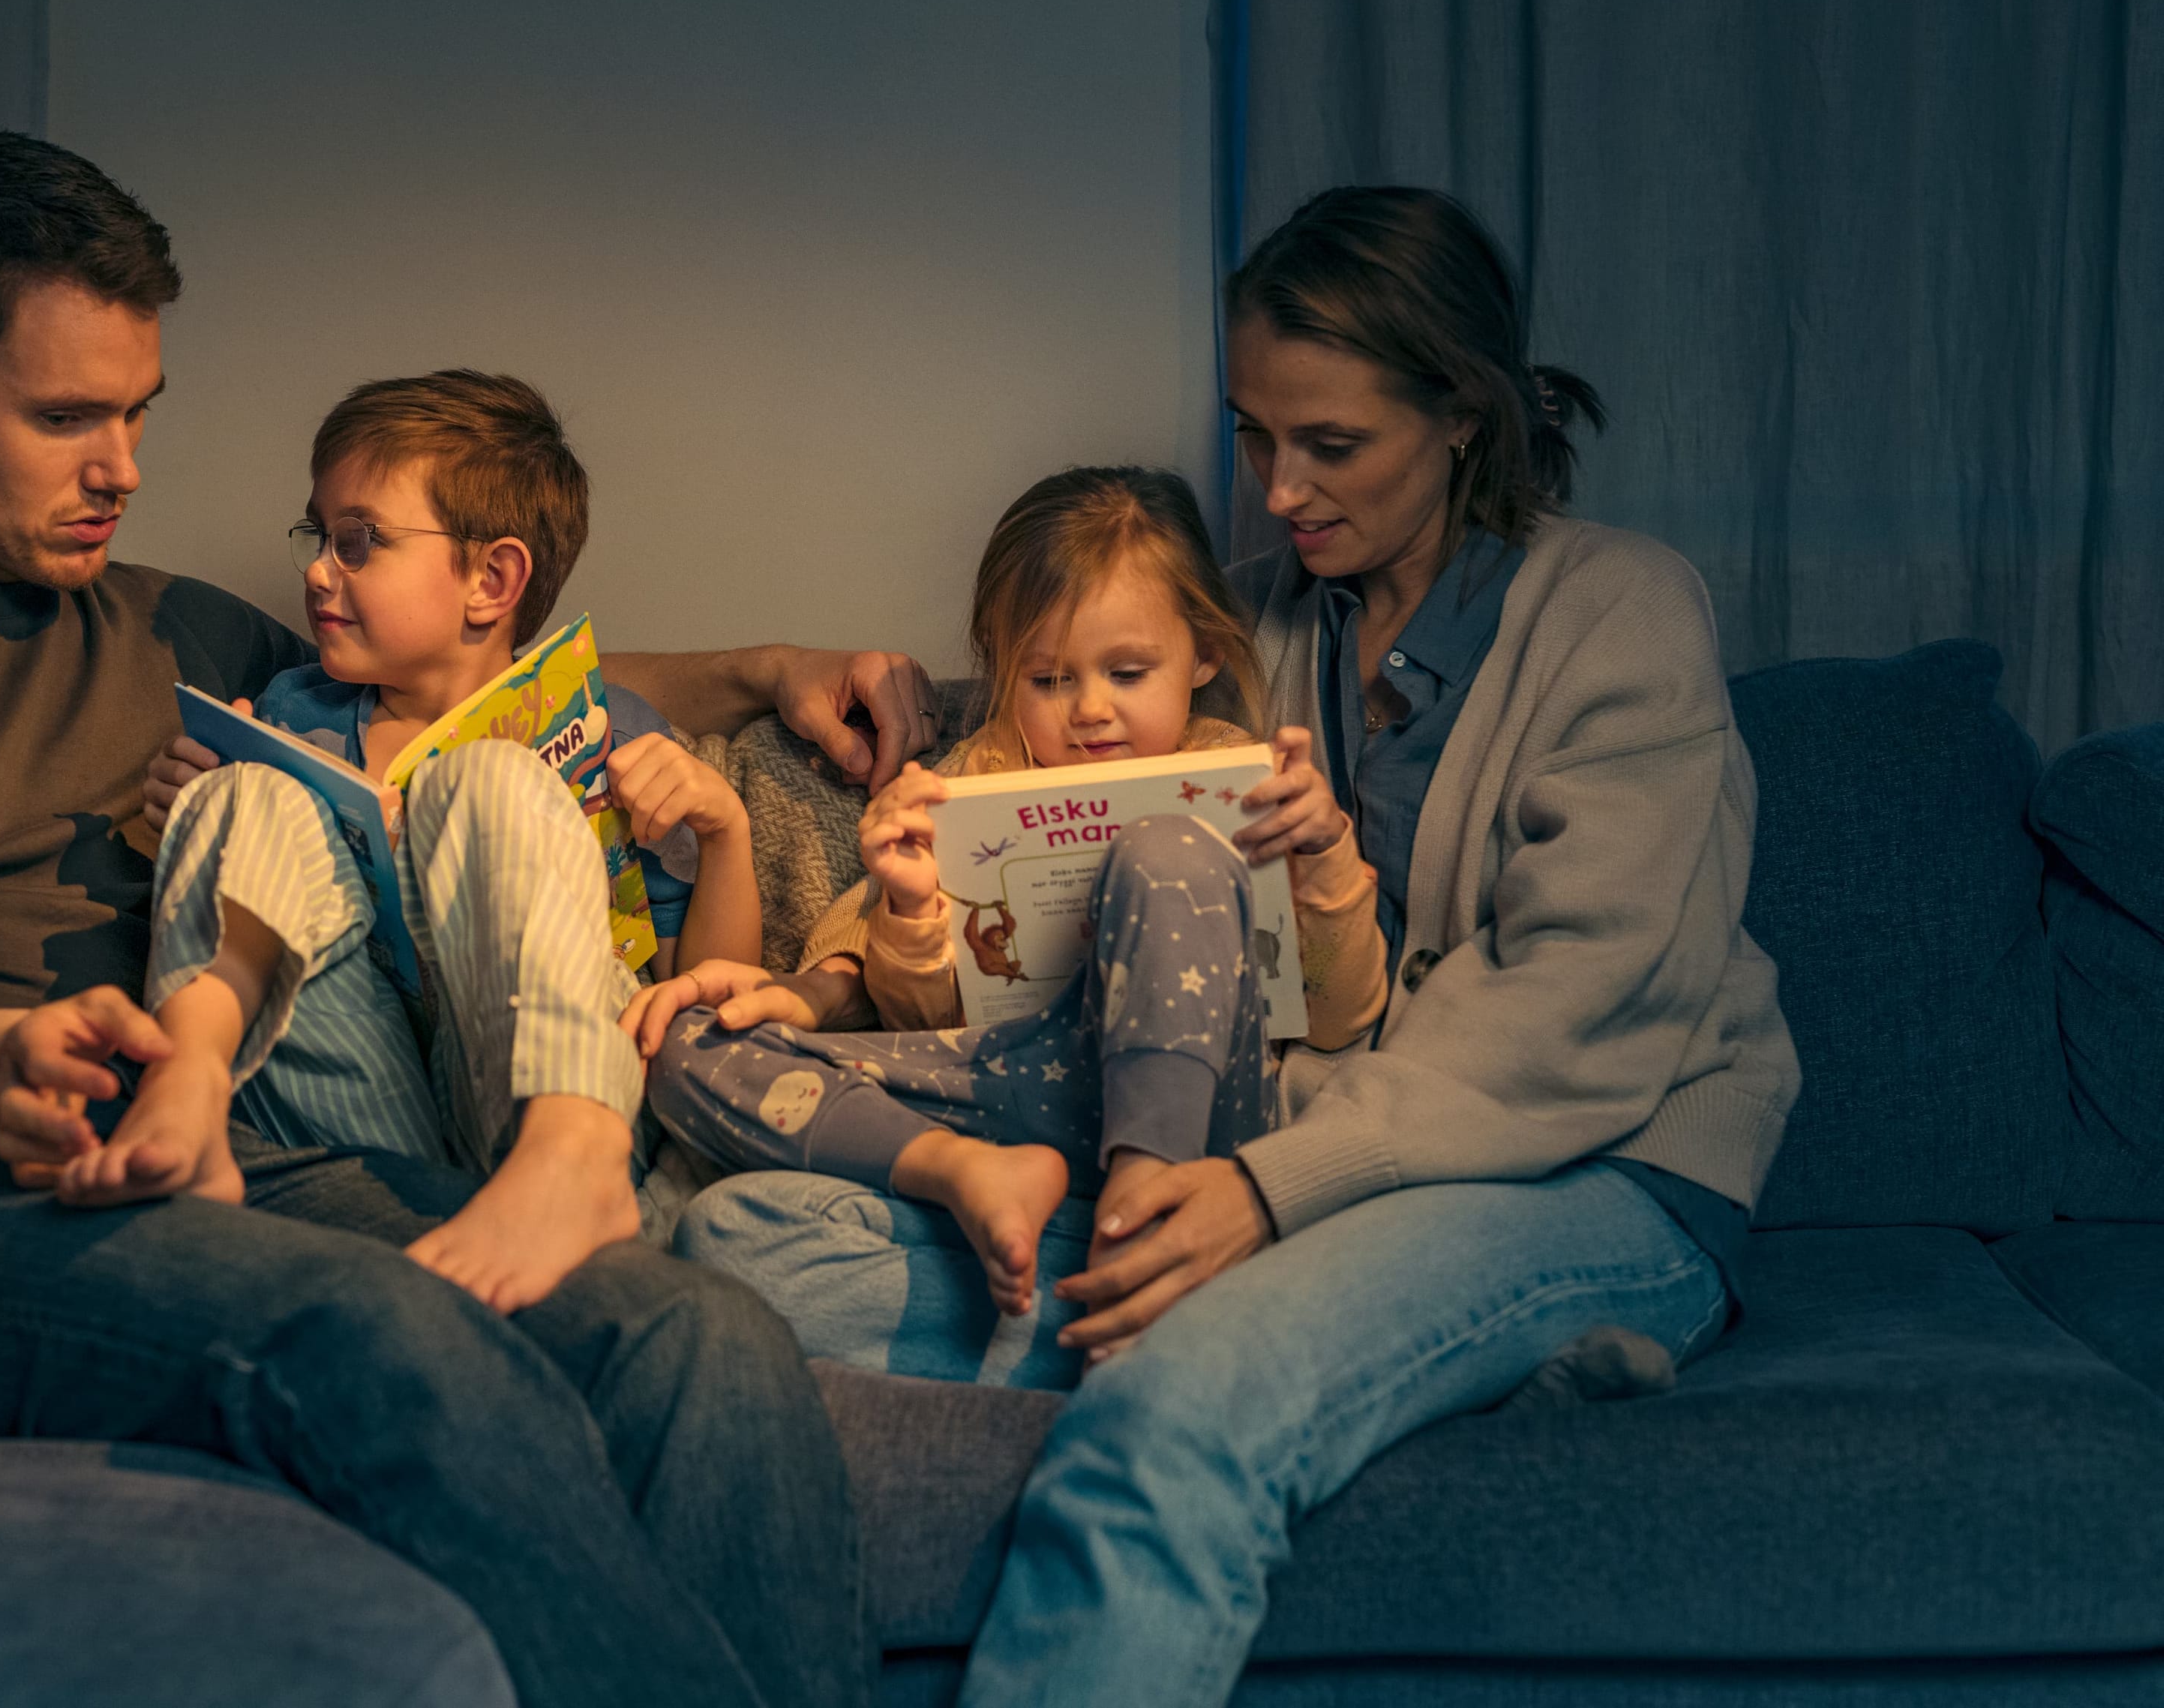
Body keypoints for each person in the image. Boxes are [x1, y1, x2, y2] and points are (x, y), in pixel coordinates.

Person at [0, 126, 929, 1708]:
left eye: (138, 410)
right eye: (66, 417)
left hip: (219, 1136)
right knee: (393, 1340)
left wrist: (766, 671)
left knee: (703, 1345)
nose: (123, 468)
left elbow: (461, 674)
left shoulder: (170, 628)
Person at [670, 185, 1802, 1706]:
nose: (1276, 490)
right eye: (1255, 435)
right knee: (744, 1254)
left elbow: (1578, 1017)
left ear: (1463, 415)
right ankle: (1424, 1374)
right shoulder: (1249, 621)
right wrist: (821, 754)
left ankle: (1276, 1365)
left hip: (1591, 1164)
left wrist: (1265, 1194)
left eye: (1329, 443)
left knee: (1169, 1417)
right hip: (1288, 1157)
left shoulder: (1621, 611)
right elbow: (1031, 740)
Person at [626, 467, 1386, 1369]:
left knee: (1168, 850)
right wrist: (908, 908)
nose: (1091, 709)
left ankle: (1143, 1212)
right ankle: (989, 1198)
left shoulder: (1241, 775)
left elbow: (1340, 1018)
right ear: (1002, 669)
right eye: (1050, 678)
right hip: (1021, 1107)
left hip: (1197, 1119)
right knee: (689, 1039)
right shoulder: (972, 777)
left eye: (1128, 672)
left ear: (1205, 655)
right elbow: (911, 1014)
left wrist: (1324, 853)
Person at [89, 369, 761, 1313]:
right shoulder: (297, 712)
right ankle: (189, 1077)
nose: (318, 570)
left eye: (358, 541)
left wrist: (724, 833)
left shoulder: (611, 732)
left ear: (492, 580)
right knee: (245, 792)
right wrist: (188, 807)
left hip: (556, 1087)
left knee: (487, 779)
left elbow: (714, 995)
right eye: (318, 535)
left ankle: (571, 1156)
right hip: (381, 1128)